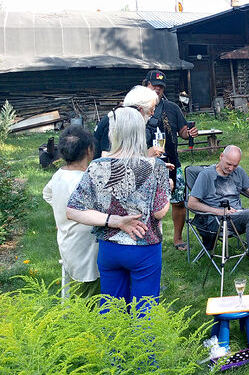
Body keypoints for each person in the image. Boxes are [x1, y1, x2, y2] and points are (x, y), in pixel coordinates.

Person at [66, 107, 171, 312]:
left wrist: (114, 221)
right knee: (145, 311)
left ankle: (113, 335)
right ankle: (143, 335)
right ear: (140, 132)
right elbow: (160, 212)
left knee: (112, 311)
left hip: (110, 248)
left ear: (113, 132)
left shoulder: (96, 166)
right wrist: (167, 188)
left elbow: (72, 210)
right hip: (144, 247)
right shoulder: (155, 166)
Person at [187, 145, 249, 284]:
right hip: (218, 220)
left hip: (240, 216)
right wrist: (220, 211)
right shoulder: (206, 175)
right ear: (221, 156)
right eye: (228, 164)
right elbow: (191, 203)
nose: (231, 168)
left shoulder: (239, 172)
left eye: (235, 165)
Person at [143, 70, 199, 252]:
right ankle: (146, 237)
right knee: (145, 203)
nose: (157, 89)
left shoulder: (172, 108)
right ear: (146, 84)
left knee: (178, 202)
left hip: (172, 162)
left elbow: (182, 132)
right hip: (144, 163)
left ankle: (178, 238)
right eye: (154, 85)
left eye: (160, 86)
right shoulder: (137, 109)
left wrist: (189, 133)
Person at [42, 125, 100, 297]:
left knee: (75, 289)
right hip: (87, 248)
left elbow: (47, 194)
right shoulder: (84, 180)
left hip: (68, 241)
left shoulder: (60, 174)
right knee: (88, 295)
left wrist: (61, 214)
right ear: (89, 150)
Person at [93, 85, 163, 159]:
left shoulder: (125, 120)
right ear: (140, 109)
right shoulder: (115, 120)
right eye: (151, 110)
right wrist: (146, 156)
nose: (152, 114)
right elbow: (106, 158)